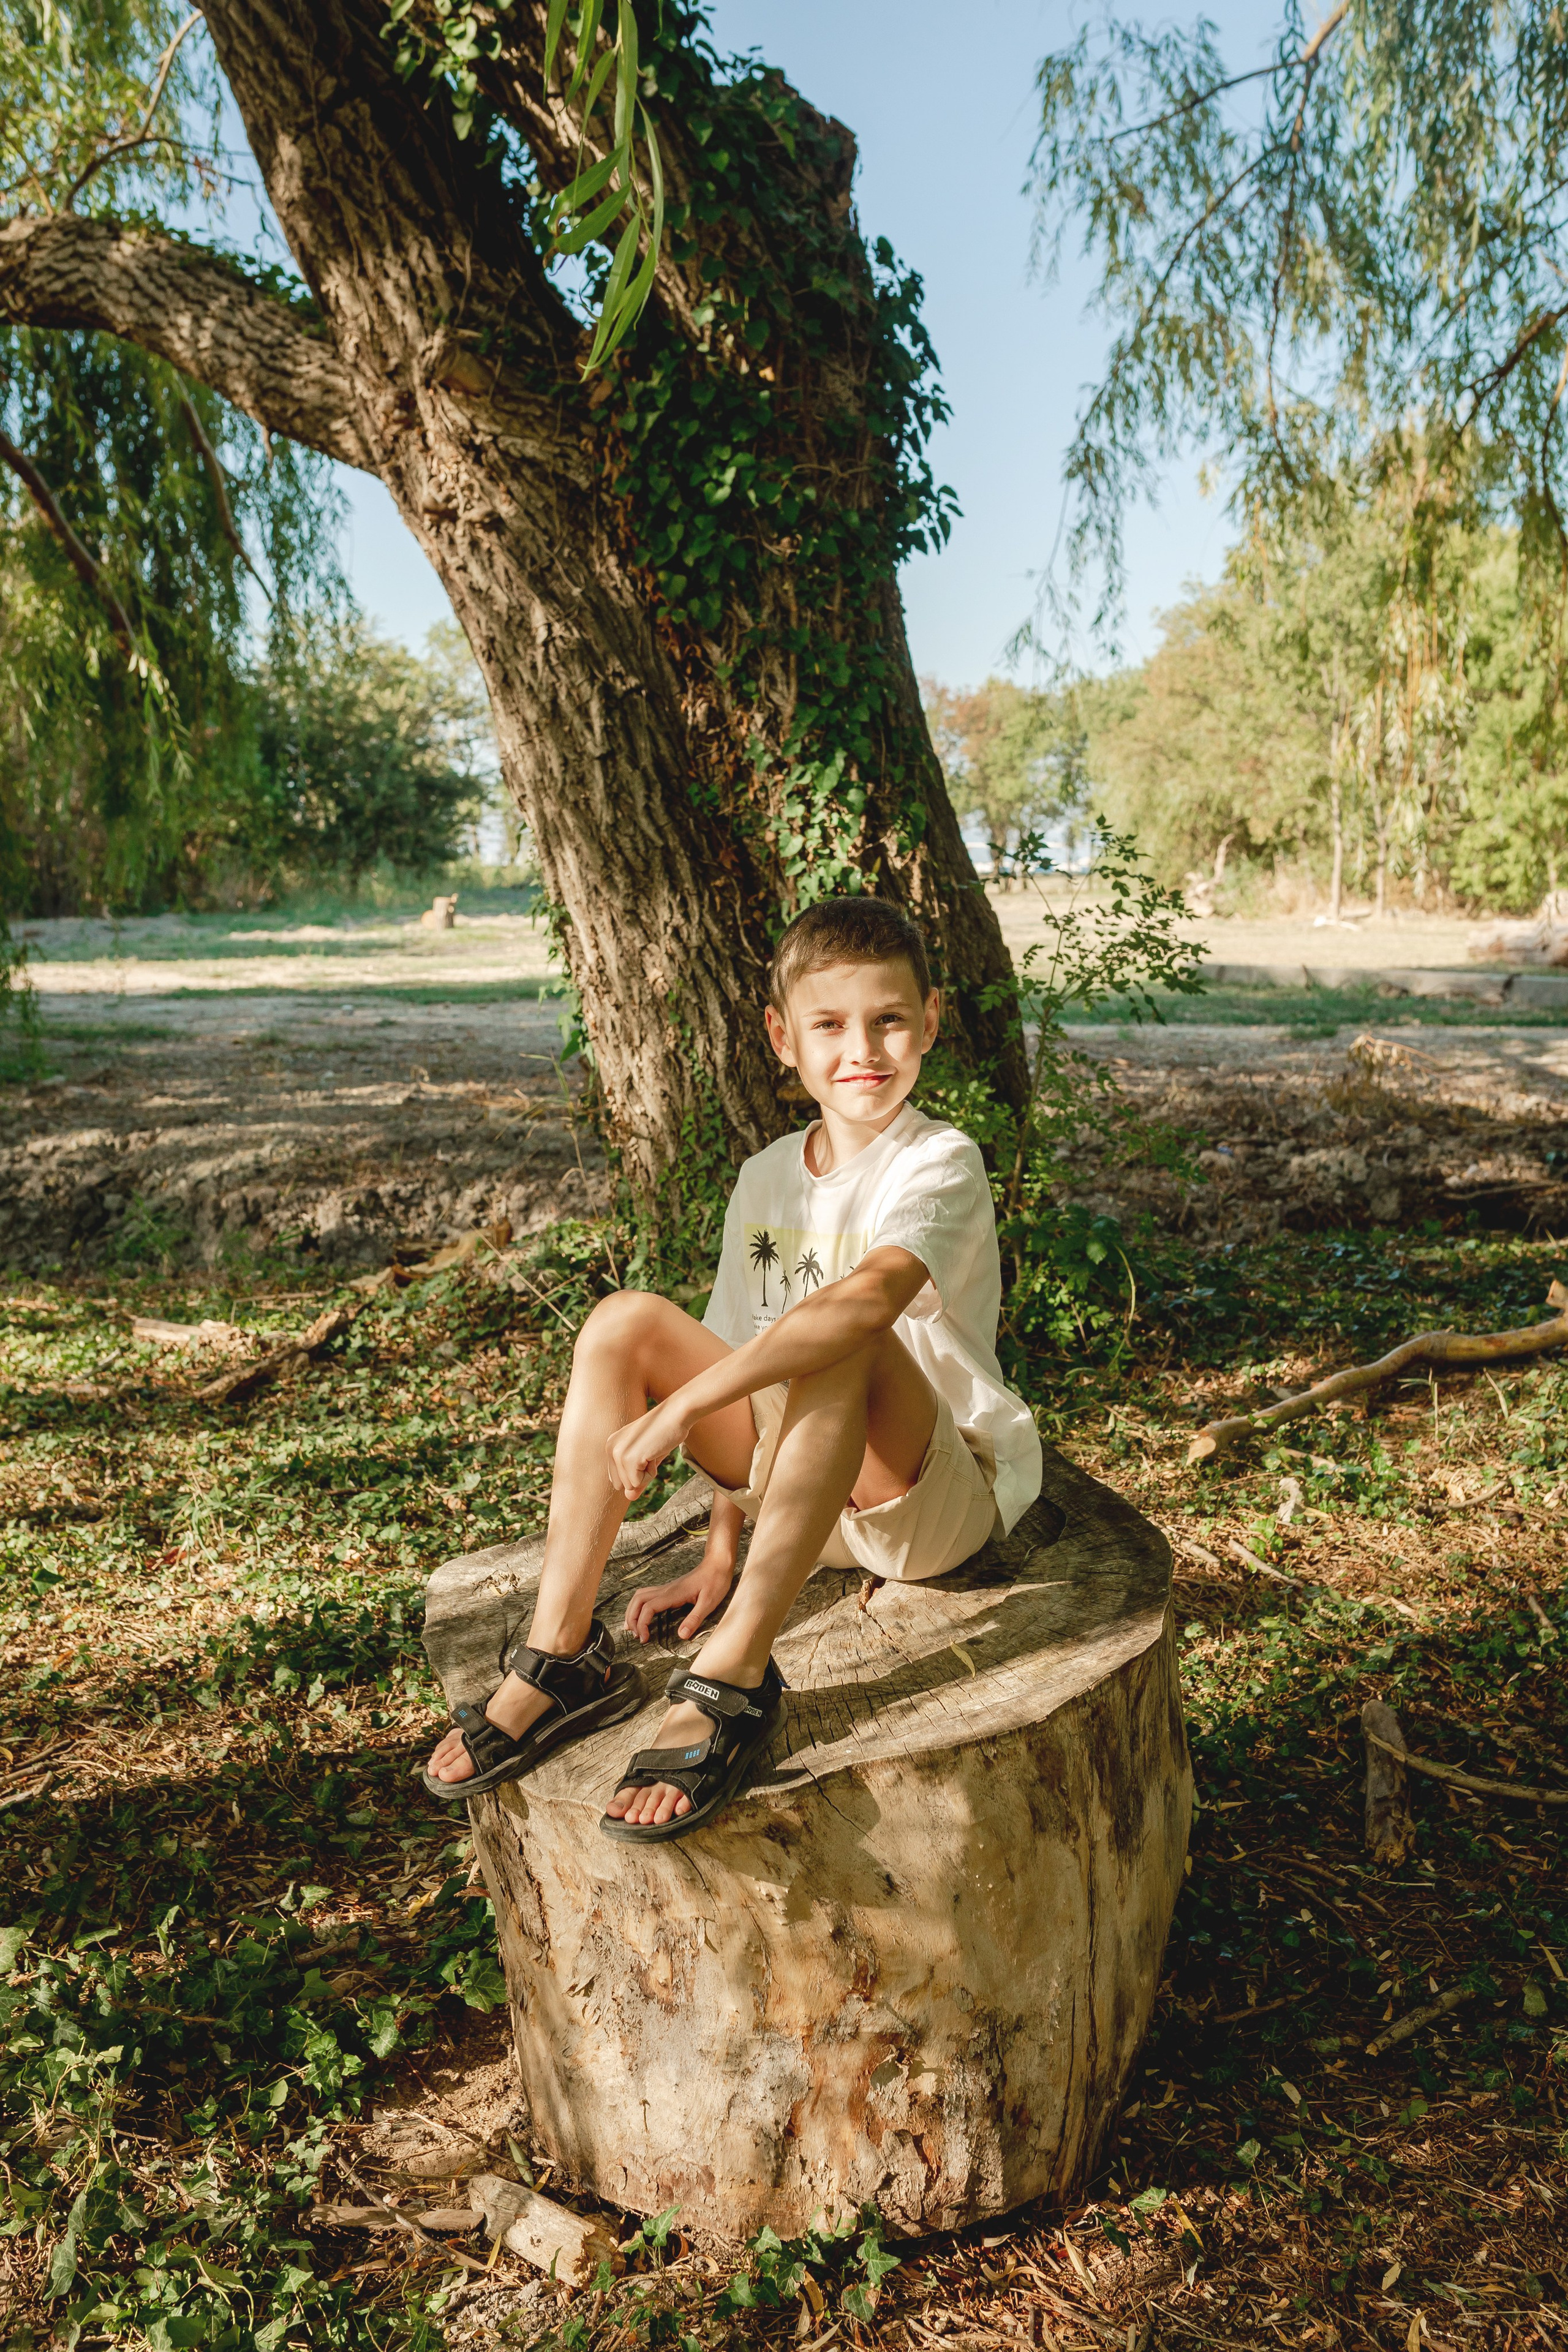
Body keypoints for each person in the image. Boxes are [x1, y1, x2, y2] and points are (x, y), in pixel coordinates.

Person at [423, 895, 1042, 1842]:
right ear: (781, 1038)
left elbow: (864, 1306)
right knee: (624, 1321)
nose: (862, 1049)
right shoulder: (765, 1177)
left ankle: (734, 1678)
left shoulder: (940, 1162)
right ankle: (561, 1658)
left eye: (888, 1020)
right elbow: (749, 1347)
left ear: (930, 1021)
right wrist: (721, 1548)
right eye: (829, 1025)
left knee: (843, 1334)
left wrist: (681, 1414)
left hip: (920, 1503)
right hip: (795, 1498)